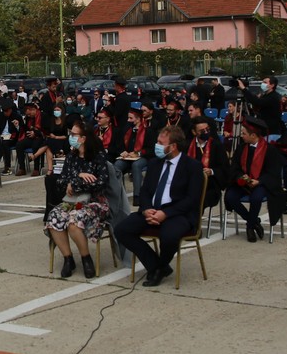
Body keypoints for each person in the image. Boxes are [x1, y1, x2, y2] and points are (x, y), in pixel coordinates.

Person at [112, 125, 203, 288]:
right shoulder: (155, 163)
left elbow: (192, 199)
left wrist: (165, 214)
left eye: (161, 143)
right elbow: (145, 191)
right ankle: (158, 266)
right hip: (152, 210)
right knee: (122, 230)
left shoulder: (192, 166)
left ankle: (159, 269)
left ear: (173, 146)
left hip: (178, 214)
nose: (157, 146)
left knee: (169, 236)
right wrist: (146, 209)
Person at [46, 119, 112, 279]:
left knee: (74, 221)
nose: (71, 137)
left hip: (94, 202)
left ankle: (86, 258)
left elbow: (100, 183)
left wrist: (74, 183)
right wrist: (77, 177)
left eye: (74, 134)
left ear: (84, 138)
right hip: (72, 201)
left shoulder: (98, 156)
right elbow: (60, 181)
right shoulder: (71, 157)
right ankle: (68, 258)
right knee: (54, 217)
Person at [226, 118, 287, 242]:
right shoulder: (241, 148)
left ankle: (250, 228)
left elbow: (273, 172)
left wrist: (259, 181)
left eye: (244, 133)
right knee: (229, 197)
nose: (241, 136)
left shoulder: (269, 150)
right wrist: (241, 177)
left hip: (262, 184)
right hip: (243, 184)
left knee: (256, 198)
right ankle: (254, 221)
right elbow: (235, 167)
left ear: (253, 135)